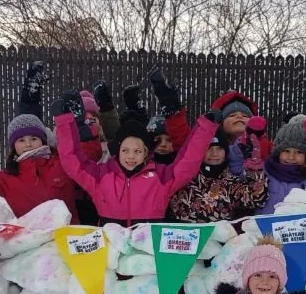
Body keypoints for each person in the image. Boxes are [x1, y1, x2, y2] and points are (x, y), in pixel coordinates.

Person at [53, 90, 221, 227]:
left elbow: (188, 161)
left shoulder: (161, 178)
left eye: (137, 151)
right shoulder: (100, 177)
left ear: (146, 153)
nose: (131, 156)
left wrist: (206, 127)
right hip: (113, 250)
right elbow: (73, 161)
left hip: (147, 250)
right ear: (118, 152)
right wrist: (64, 122)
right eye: (125, 150)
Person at [0, 111, 93, 224]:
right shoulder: (7, 178)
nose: (28, 144)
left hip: (68, 237)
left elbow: (87, 159)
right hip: (32, 243)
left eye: (34, 138)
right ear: (13, 146)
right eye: (21, 140)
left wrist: (80, 129)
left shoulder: (62, 165)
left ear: (43, 140)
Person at [168, 128, 268, 222]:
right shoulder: (185, 178)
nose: (214, 153)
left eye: (219, 148)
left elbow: (256, 198)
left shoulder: (231, 183)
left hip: (218, 234)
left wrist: (254, 167)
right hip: (180, 234)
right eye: (209, 148)